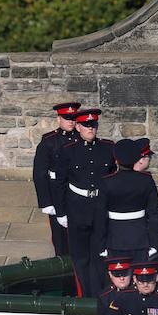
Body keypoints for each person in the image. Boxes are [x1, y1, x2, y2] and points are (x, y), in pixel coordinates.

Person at [51, 108, 115, 298]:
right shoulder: (67, 150)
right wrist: (61, 212)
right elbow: (59, 183)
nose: (90, 128)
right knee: (80, 257)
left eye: (93, 124)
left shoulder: (108, 147)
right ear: (78, 127)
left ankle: (101, 295)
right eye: (86, 125)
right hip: (77, 207)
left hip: (101, 207)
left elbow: (113, 178)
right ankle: (84, 296)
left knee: (100, 254)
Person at [94, 138, 158, 265]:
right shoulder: (146, 180)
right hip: (140, 239)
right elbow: (154, 213)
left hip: (115, 239)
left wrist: (101, 245)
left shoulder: (107, 182)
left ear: (116, 160)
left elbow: (100, 217)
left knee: (119, 275)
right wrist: (154, 243)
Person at [32, 101, 80, 258]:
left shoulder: (82, 138)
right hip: (56, 193)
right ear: (59, 119)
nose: (71, 122)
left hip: (77, 192)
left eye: (73, 118)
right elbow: (40, 173)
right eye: (67, 118)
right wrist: (46, 202)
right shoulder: (49, 141)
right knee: (60, 236)